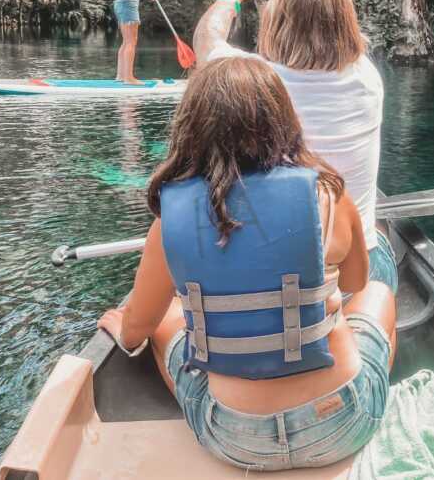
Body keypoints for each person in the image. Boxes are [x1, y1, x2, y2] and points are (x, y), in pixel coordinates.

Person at [97, 57, 397, 470]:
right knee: (379, 295)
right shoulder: (329, 196)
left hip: (235, 437)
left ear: (191, 130)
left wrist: (126, 329)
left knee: (166, 318)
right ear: (283, 119)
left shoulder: (171, 221)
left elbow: (135, 333)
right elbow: (358, 281)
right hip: (341, 421)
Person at [191, 0, 393, 293]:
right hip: (357, 266)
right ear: (348, 19)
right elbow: (319, 15)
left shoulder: (253, 82)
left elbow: (206, 39)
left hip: (276, 270)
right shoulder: (368, 79)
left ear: (278, 18)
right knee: (380, 241)